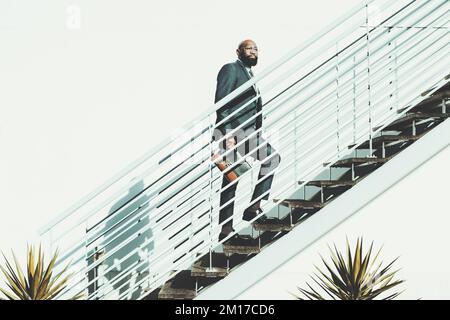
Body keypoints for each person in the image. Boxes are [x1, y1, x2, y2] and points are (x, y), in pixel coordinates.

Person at [213, 39, 281, 241]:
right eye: (249, 48)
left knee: (234, 176)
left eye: (256, 49)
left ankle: (238, 220)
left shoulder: (249, 74)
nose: (254, 51)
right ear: (238, 51)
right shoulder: (231, 69)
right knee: (267, 160)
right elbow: (222, 102)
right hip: (235, 132)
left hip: (248, 132)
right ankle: (243, 218)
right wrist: (227, 133)